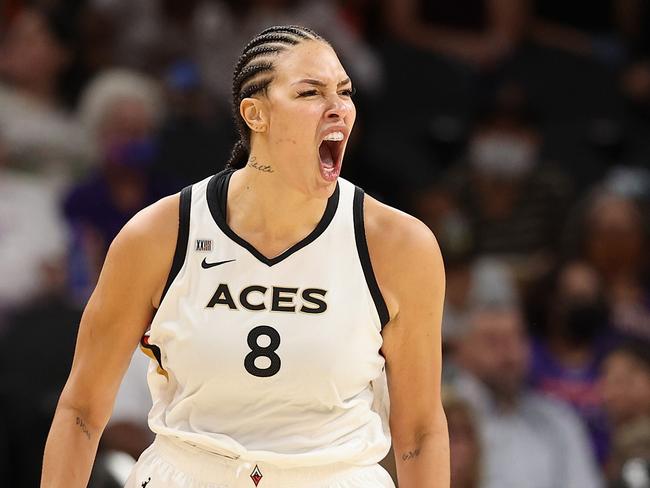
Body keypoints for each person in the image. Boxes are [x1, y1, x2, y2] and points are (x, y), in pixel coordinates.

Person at [41, 25, 449, 488]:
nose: (337, 107)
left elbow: (419, 430)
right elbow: (81, 410)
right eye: (310, 92)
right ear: (256, 114)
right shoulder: (158, 236)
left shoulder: (399, 246)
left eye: (345, 91)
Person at [450, 302, 604, 488]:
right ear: (461, 350)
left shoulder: (558, 418)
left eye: (515, 338)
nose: (507, 352)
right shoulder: (447, 419)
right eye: (492, 341)